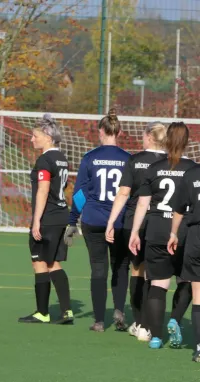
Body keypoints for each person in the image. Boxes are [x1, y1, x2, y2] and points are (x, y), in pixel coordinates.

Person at [129, 122, 196, 349]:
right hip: (184, 232)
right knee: (188, 279)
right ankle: (175, 319)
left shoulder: (154, 168)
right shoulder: (194, 170)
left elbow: (142, 204)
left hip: (157, 229)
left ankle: (155, 337)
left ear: (166, 140)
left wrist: (135, 231)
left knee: (158, 283)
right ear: (187, 142)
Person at [64, 109, 131, 332]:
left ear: (100, 131)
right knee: (121, 267)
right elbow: (132, 194)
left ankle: (99, 321)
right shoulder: (128, 159)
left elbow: (80, 193)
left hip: (93, 220)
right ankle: (119, 311)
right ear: (119, 132)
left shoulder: (90, 157)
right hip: (120, 221)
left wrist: (73, 219)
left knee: (98, 269)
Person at [106, 122, 167, 340]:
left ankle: (140, 324)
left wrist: (111, 221)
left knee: (137, 270)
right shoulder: (172, 162)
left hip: (135, 222)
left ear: (150, 137)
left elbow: (123, 193)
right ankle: (152, 325)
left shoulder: (136, 160)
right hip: (163, 223)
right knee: (157, 276)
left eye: (143, 135)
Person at [18, 113, 73, 324]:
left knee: (39, 263)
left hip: (48, 217)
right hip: (61, 215)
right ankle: (67, 311)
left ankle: (42, 312)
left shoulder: (45, 159)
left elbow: (43, 190)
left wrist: (37, 221)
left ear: (48, 137)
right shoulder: (62, 158)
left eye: (35, 136)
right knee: (54, 263)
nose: (32, 139)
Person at [168, 160, 200, 361]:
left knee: (198, 295)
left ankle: (199, 348)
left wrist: (173, 233)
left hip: (196, 236)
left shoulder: (191, 174)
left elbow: (179, 210)